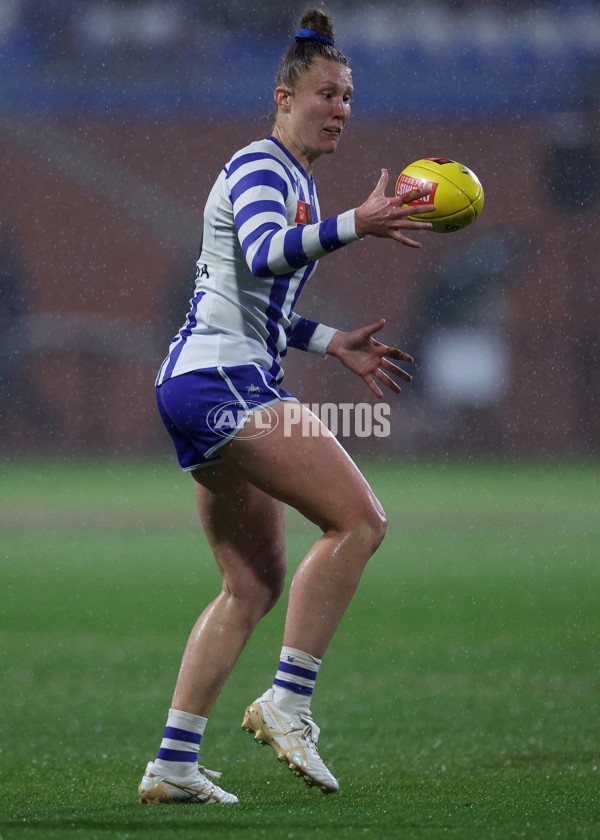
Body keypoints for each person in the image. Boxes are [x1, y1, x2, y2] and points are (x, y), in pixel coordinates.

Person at [138, 7, 434, 805]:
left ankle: (172, 764)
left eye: (348, 97)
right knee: (360, 521)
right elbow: (268, 253)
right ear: (283, 97)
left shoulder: (286, 176)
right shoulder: (265, 168)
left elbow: (248, 290)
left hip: (196, 383)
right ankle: (288, 703)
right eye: (326, 93)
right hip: (226, 382)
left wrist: (333, 338)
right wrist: (356, 225)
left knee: (251, 584)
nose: (340, 107)